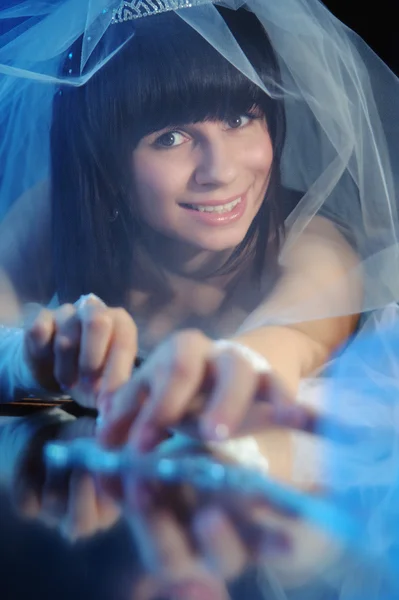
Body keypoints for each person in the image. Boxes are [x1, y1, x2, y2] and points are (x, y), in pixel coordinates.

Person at [0, 0, 398, 473]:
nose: (221, 171)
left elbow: (289, 339)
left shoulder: (316, 246)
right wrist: (31, 359)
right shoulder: (57, 213)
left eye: (239, 119)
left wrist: (223, 377)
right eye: (170, 137)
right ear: (106, 162)